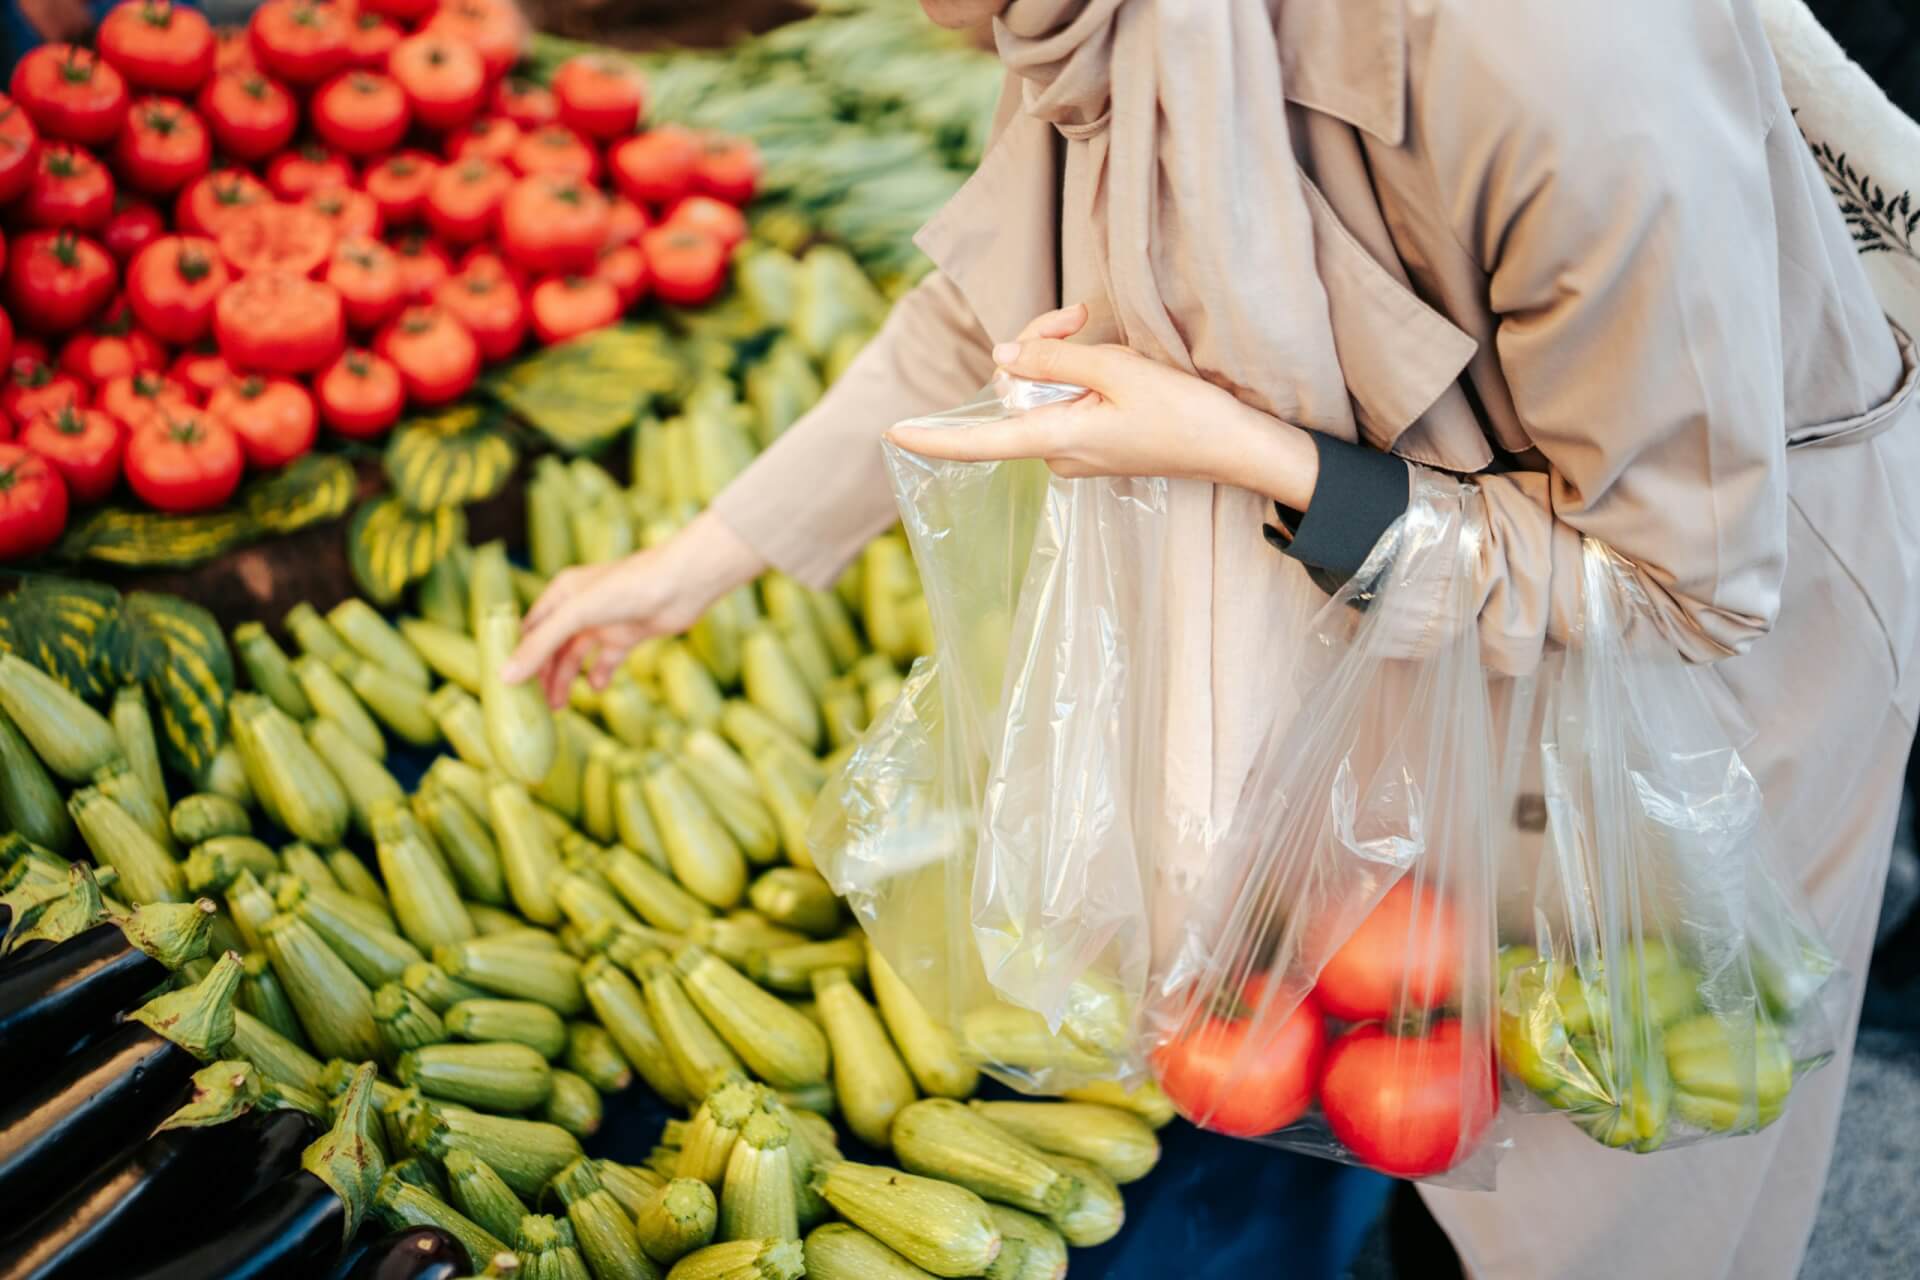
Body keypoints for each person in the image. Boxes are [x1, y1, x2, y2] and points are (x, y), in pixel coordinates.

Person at [508, 2, 1920, 1276]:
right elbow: (1008, 293)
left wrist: (1258, 456)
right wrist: (705, 558)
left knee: (1614, 1184)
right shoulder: (1107, 16)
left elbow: (1682, 589)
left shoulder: (1548, 47)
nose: (948, 28)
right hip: (1416, 631)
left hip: (1682, 694)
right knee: (1452, 1120)